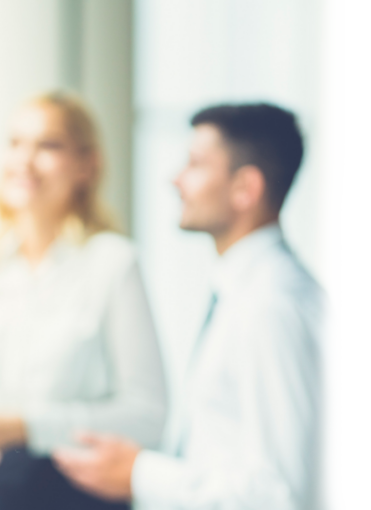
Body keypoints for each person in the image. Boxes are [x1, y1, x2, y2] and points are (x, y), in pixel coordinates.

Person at [52, 103, 343, 509]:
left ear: (246, 188)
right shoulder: (246, 293)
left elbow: (278, 495)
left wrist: (141, 473)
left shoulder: (272, 305)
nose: (176, 180)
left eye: (195, 164)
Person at [0, 92, 167, 510]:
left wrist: (25, 426)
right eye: (15, 143)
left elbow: (147, 416)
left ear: (88, 165)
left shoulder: (112, 264)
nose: (25, 161)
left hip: (76, 497)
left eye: (48, 146)